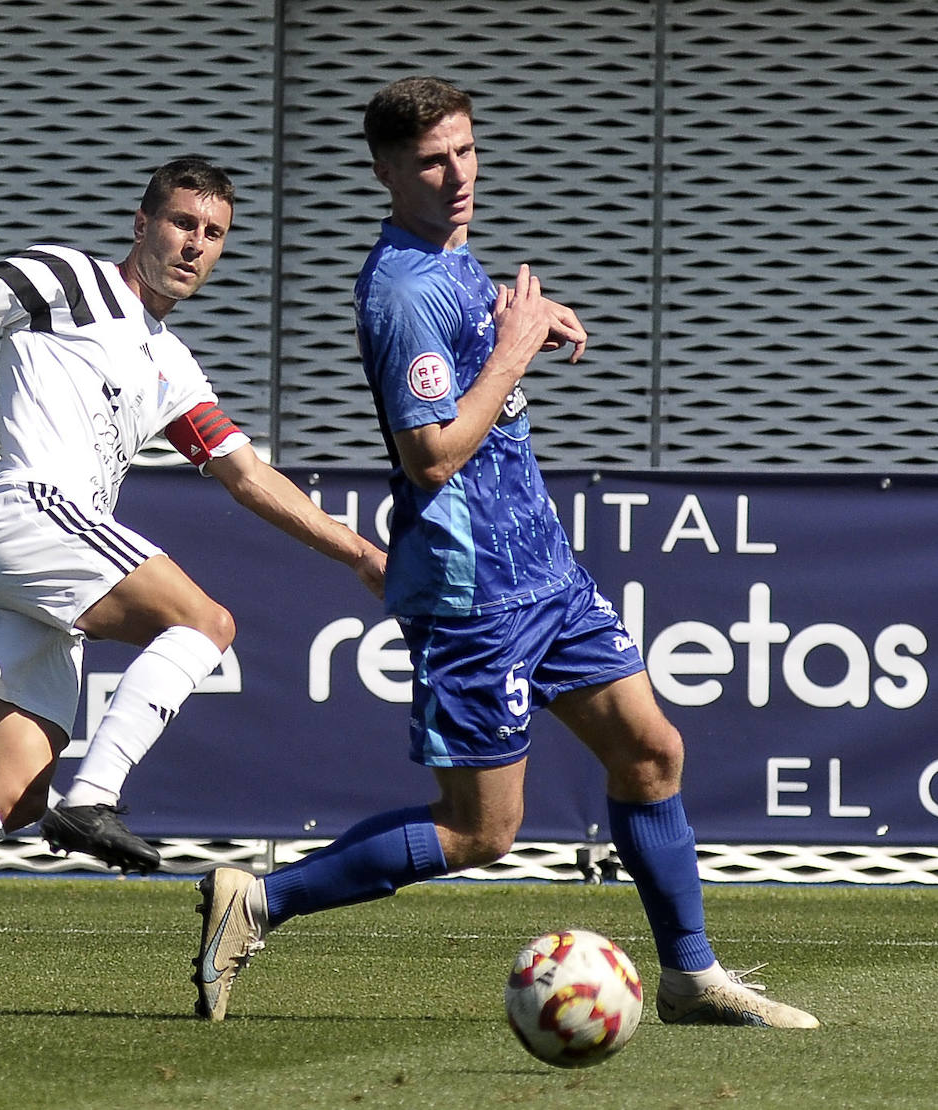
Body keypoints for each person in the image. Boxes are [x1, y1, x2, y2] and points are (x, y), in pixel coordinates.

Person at [191, 78, 819, 1030]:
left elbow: (461, 321)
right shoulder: (400, 290)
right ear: (387, 172)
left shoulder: (445, 262)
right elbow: (432, 457)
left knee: (651, 753)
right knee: (481, 830)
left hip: (546, 574)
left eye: (467, 152)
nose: (459, 176)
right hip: (475, 592)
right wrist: (514, 348)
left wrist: (503, 311)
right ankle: (262, 901)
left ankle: (691, 977)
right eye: (433, 161)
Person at [0, 155, 386, 1000]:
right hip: (30, 510)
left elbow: (246, 476)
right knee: (207, 623)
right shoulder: (67, 278)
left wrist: (360, 553)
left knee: (11, 789)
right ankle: (95, 797)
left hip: (13, 556)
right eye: (183, 223)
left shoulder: (174, 365)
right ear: (141, 223)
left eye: (214, 234)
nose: (196, 245)